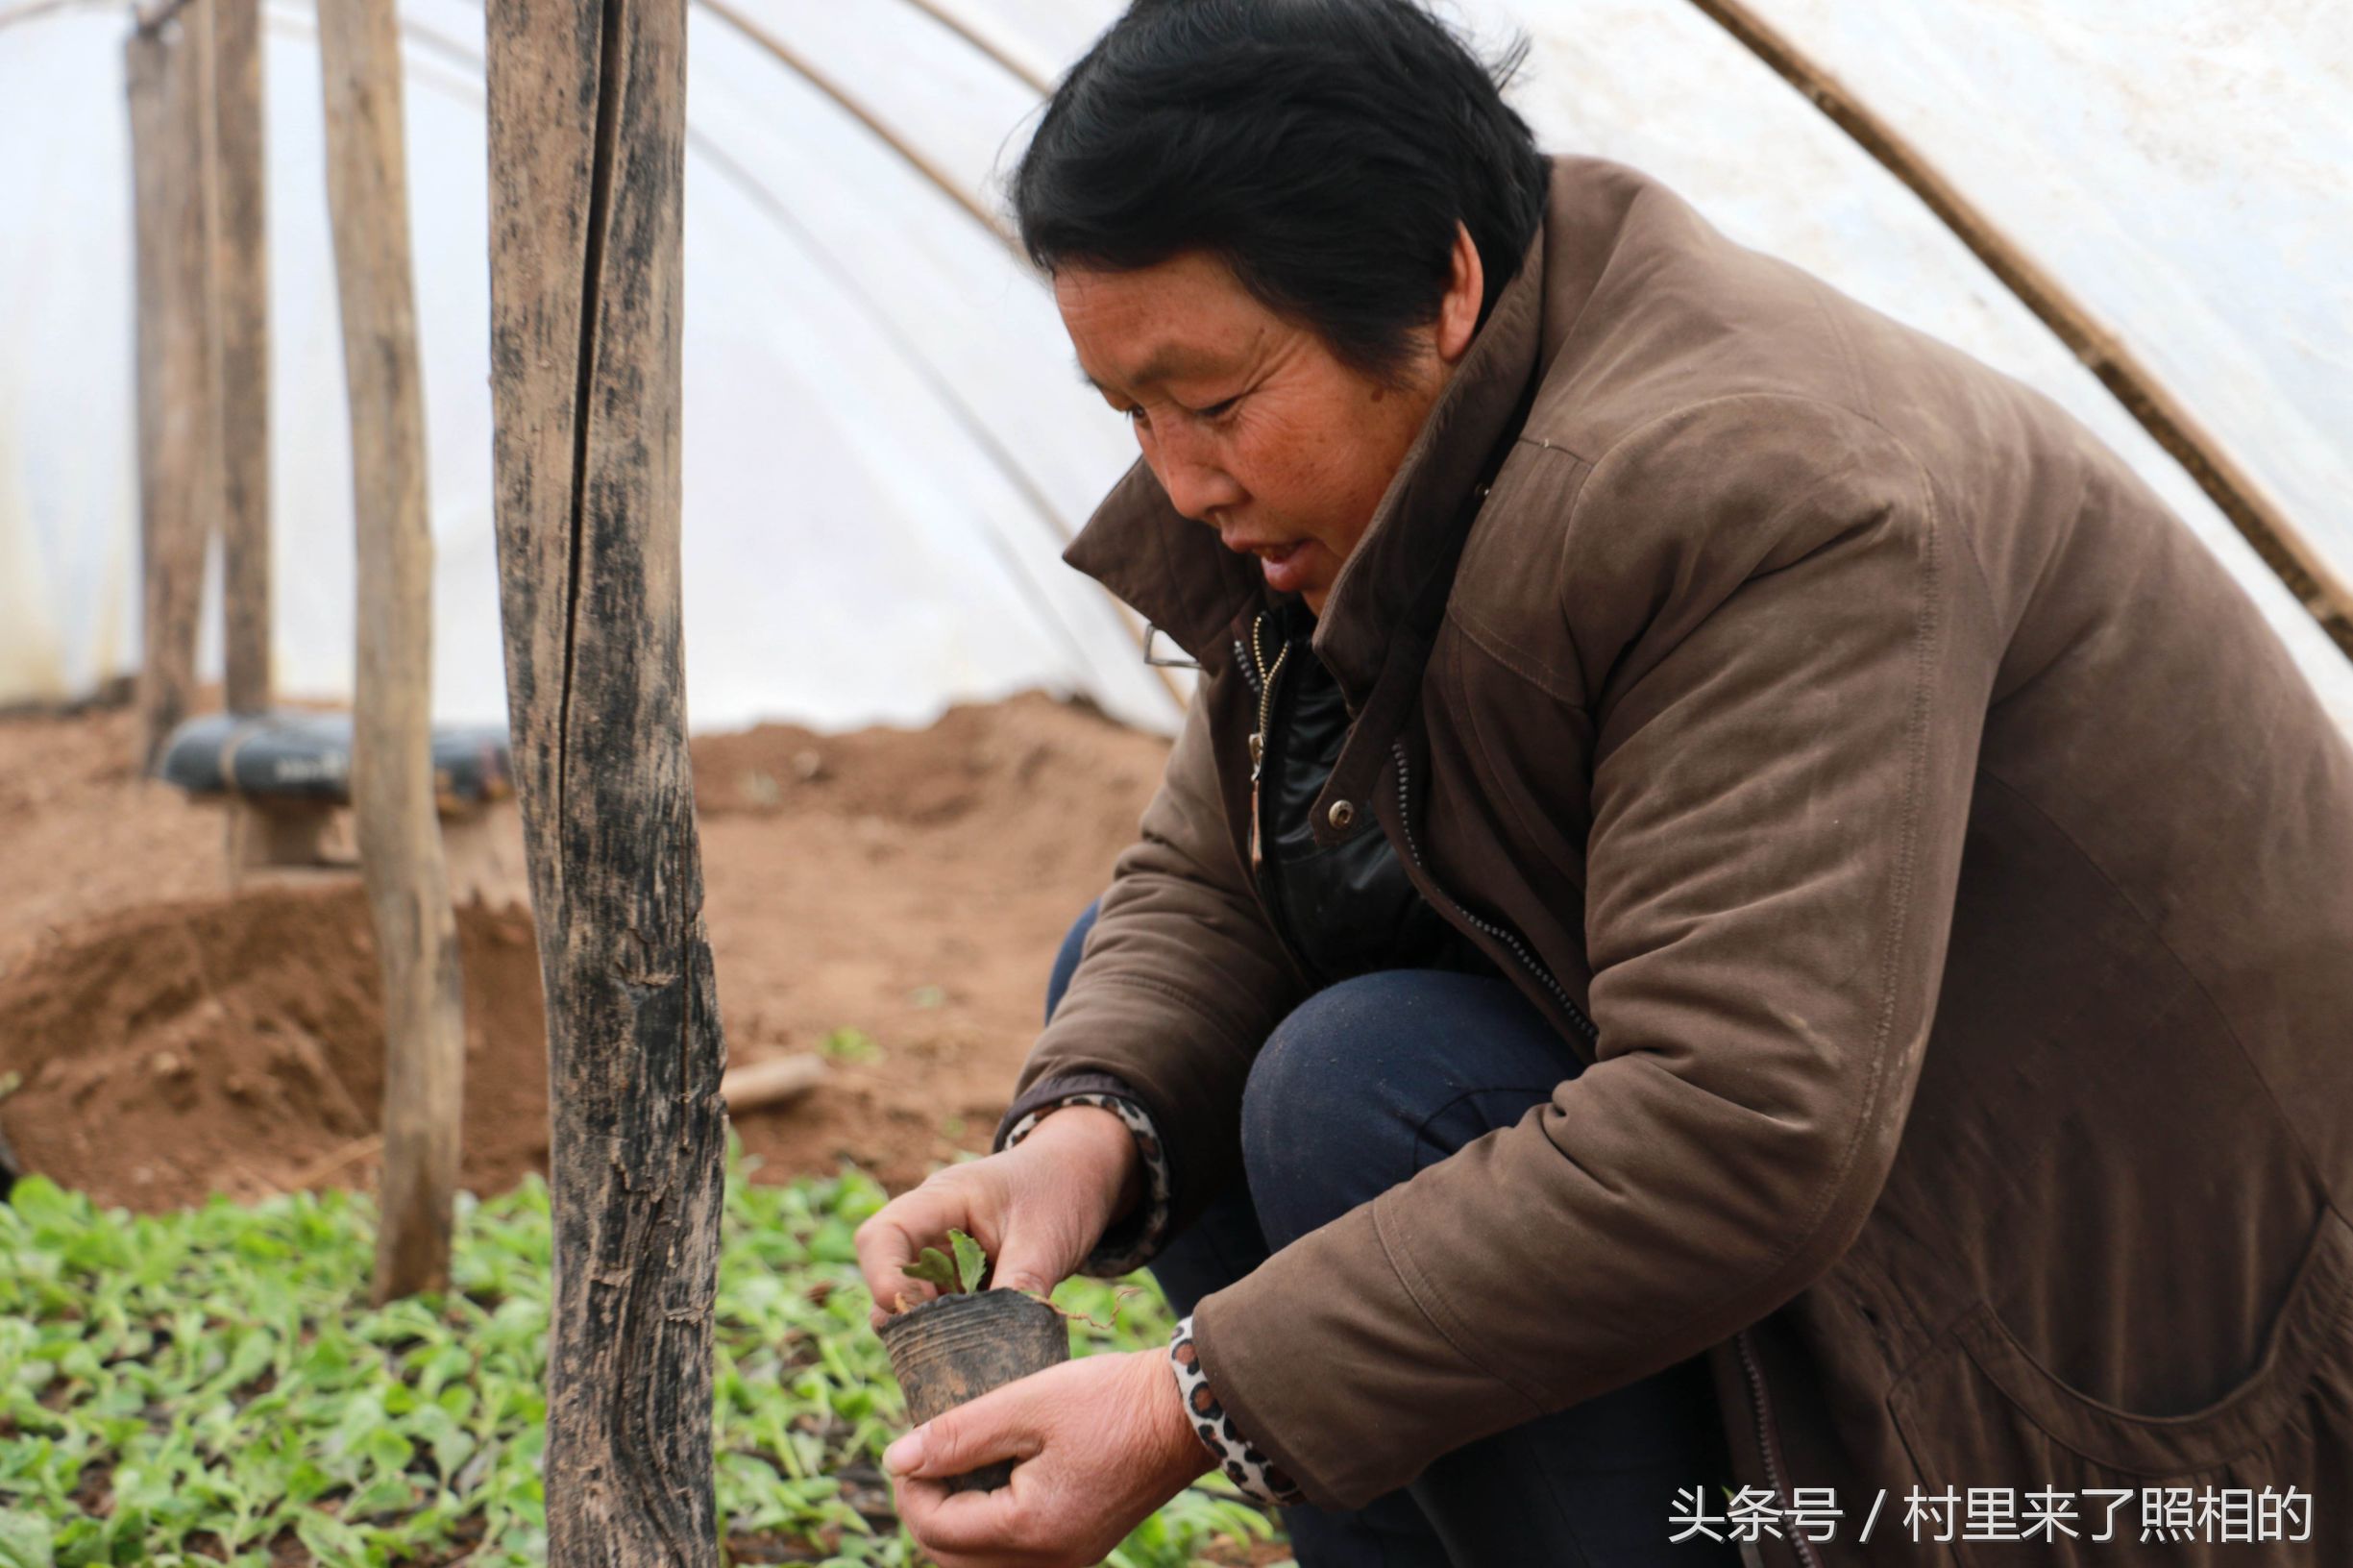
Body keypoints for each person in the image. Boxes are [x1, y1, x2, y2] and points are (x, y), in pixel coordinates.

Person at [853, 4, 2353, 1565]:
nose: (1179, 482)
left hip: (2096, 1374)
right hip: (1857, 1200)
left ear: (1436, 281)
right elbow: (1224, 862)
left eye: (1218, 403)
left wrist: (1194, 1401)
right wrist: (1085, 1133)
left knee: (1367, 1085)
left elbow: (1742, 1120)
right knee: (1132, 990)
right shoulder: (1430, 417)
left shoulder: (1769, 489)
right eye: (1131, 416)